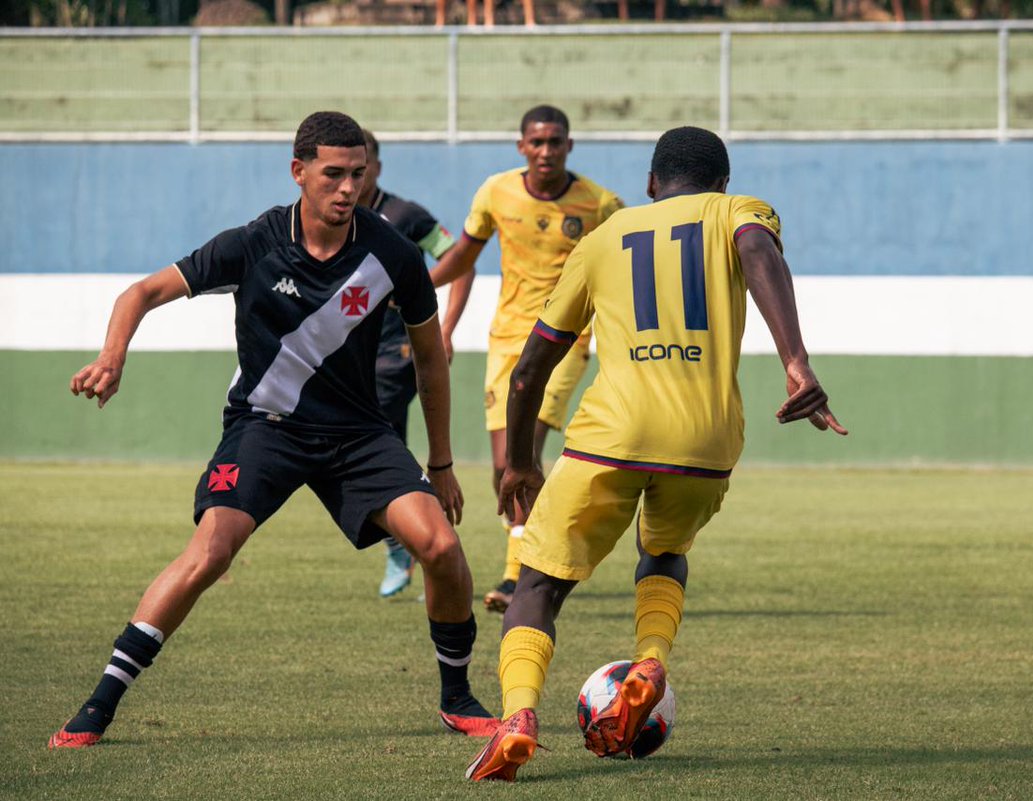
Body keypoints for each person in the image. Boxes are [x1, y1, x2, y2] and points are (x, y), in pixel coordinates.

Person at [50, 111, 495, 750]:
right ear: (300, 172)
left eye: (358, 175)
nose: (348, 189)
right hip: (266, 426)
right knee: (211, 552)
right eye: (334, 175)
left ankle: (457, 697)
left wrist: (444, 462)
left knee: (444, 550)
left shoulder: (392, 252)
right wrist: (112, 356)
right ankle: (98, 705)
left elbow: (430, 360)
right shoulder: (255, 242)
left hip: (358, 436)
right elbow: (141, 292)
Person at [465, 126, 848, 781]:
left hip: (609, 436)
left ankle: (519, 716)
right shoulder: (739, 211)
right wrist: (796, 363)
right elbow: (758, 250)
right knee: (664, 550)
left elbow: (530, 369)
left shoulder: (600, 239)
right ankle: (649, 656)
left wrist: (521, 460)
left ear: (650, 183)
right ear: (722, 182)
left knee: (537, 584)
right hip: (705, 436)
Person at [429, 104, 624, 614]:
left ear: (569, 146)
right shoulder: (496, 192)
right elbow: (463, 258)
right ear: (522, 147)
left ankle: (520, 575)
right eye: (536, 142)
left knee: (524, 451)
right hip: (508, 340)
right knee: (502, 468)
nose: (545, 151)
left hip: (565, 342)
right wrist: (408, 287)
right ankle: (531, 553)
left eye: (555, 142)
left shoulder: (600, 204)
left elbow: (630, 265)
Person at [358, 129, 469, 598]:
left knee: (383, 450)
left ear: (377, 168)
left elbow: (460, 260)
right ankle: (412, 548)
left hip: (398, 353)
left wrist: (443, 327)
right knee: (383, 450)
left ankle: (418, 550)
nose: (351, 180)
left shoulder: (403, 215)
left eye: (361, 167)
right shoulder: (328, 220)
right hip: (350, 358)